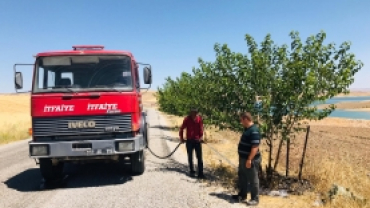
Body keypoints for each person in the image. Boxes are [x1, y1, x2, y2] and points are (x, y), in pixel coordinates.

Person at [232, 112, 262, 206]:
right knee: (242, 177)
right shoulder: (247, 129)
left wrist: (249, 159)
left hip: (251, 159)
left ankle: (255, 199)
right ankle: (242, 195)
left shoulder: (254, 130)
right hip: (243, 158)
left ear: (246, 119)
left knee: (253, 179)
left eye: (241, 120)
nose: (240, 122)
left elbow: (255, 146)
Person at [179, 108, 205, 179]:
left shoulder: (199, 119)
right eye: (192, 112)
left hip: (197, 141)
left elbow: (201, 129)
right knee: (190, 157)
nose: (194, 114)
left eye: (195, 112)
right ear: (190, 112)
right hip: (189, 141)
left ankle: (200, 173)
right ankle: (192, 171)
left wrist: (201, 137)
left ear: (197, 112)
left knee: (199, 157)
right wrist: (181, 138)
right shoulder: (187, 119)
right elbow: (181, 129)